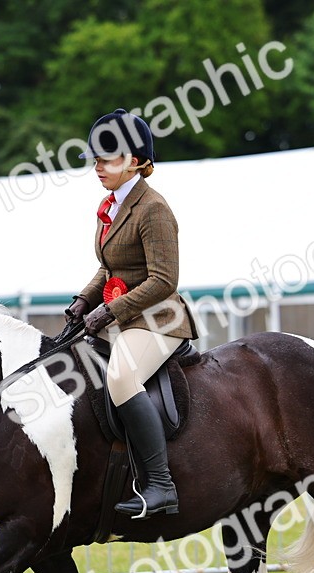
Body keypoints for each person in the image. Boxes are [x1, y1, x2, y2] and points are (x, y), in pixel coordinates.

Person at [65, 108, 199, 519]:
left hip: (160, 320)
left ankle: (160, 484)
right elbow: (110, 266)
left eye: (108, 158)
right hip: (122, 315)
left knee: (121, 378)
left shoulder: (153, 208)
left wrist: (109, 310)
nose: (98, 166)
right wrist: (84, 300)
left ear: (137, 162)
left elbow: (163, 280)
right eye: (96, 158)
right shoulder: (111, 206)